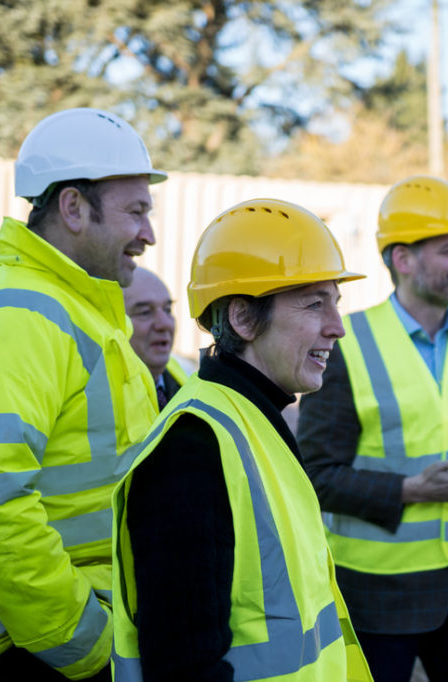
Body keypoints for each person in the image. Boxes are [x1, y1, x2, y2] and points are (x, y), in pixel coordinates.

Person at [0, 107, 166, 681]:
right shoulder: (14, 315)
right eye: (136, 212)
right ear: (73, 207)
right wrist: (86, 643)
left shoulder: (73, 311)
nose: (149, 234)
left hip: (52, 639)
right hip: (30, 650)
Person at [111, 199, 374, 682]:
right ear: (243, 319)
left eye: (336, 302)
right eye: (315, 303)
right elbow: (182, 665)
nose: (337, 326)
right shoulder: (191, 448)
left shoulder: (253, 418)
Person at [296, 175, 448, 682]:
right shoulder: (347, 344)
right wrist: (411, 489)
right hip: (378, 596)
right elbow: (314, 476)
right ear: (403, 260)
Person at [122, 267, 188, 407]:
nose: (164, 324)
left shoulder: (188, 379)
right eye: (145, 312)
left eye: (167, 310)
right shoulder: (101, 395)